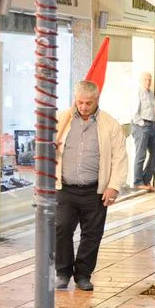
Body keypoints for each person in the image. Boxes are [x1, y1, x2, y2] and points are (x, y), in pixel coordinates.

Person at [55, 81, 128, 291]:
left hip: (94, 190)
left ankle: (83, 275)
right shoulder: (61, 120)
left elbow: (120, 158)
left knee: (92, 234)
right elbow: (44, 147)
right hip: (65, 188)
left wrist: (113, 186)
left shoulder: (110, 124)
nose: (84, 107)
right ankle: (62, 272)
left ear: (97, 100)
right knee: (61, 228)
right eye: (80, 102)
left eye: (88, 103)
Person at [131, 72, 155, 192]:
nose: (148, 82)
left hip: (152, 125)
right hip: (141, 125)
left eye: (149, 79)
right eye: (145, 79)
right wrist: (142, 124)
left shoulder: (151, 94)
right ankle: (138, 182)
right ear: (141, 80)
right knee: (140, 154)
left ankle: (146, 179)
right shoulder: (137, 92)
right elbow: (134, 113)